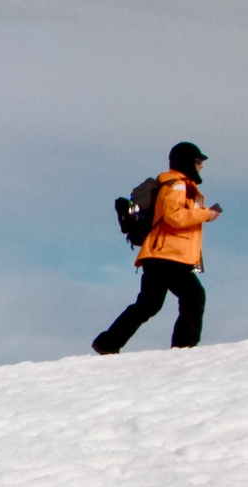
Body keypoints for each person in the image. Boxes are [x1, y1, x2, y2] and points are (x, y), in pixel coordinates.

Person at [92, 142, 221, 354]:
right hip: (168, 255)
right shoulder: (178, 185)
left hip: (160, 254)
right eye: (198, 161)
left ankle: (107, 343)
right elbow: (174, 217)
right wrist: (206, 214)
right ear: (188, 161)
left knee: (149, 304)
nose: (201, 166)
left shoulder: (180, 185)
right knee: (194, 297)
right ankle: (184, 349)